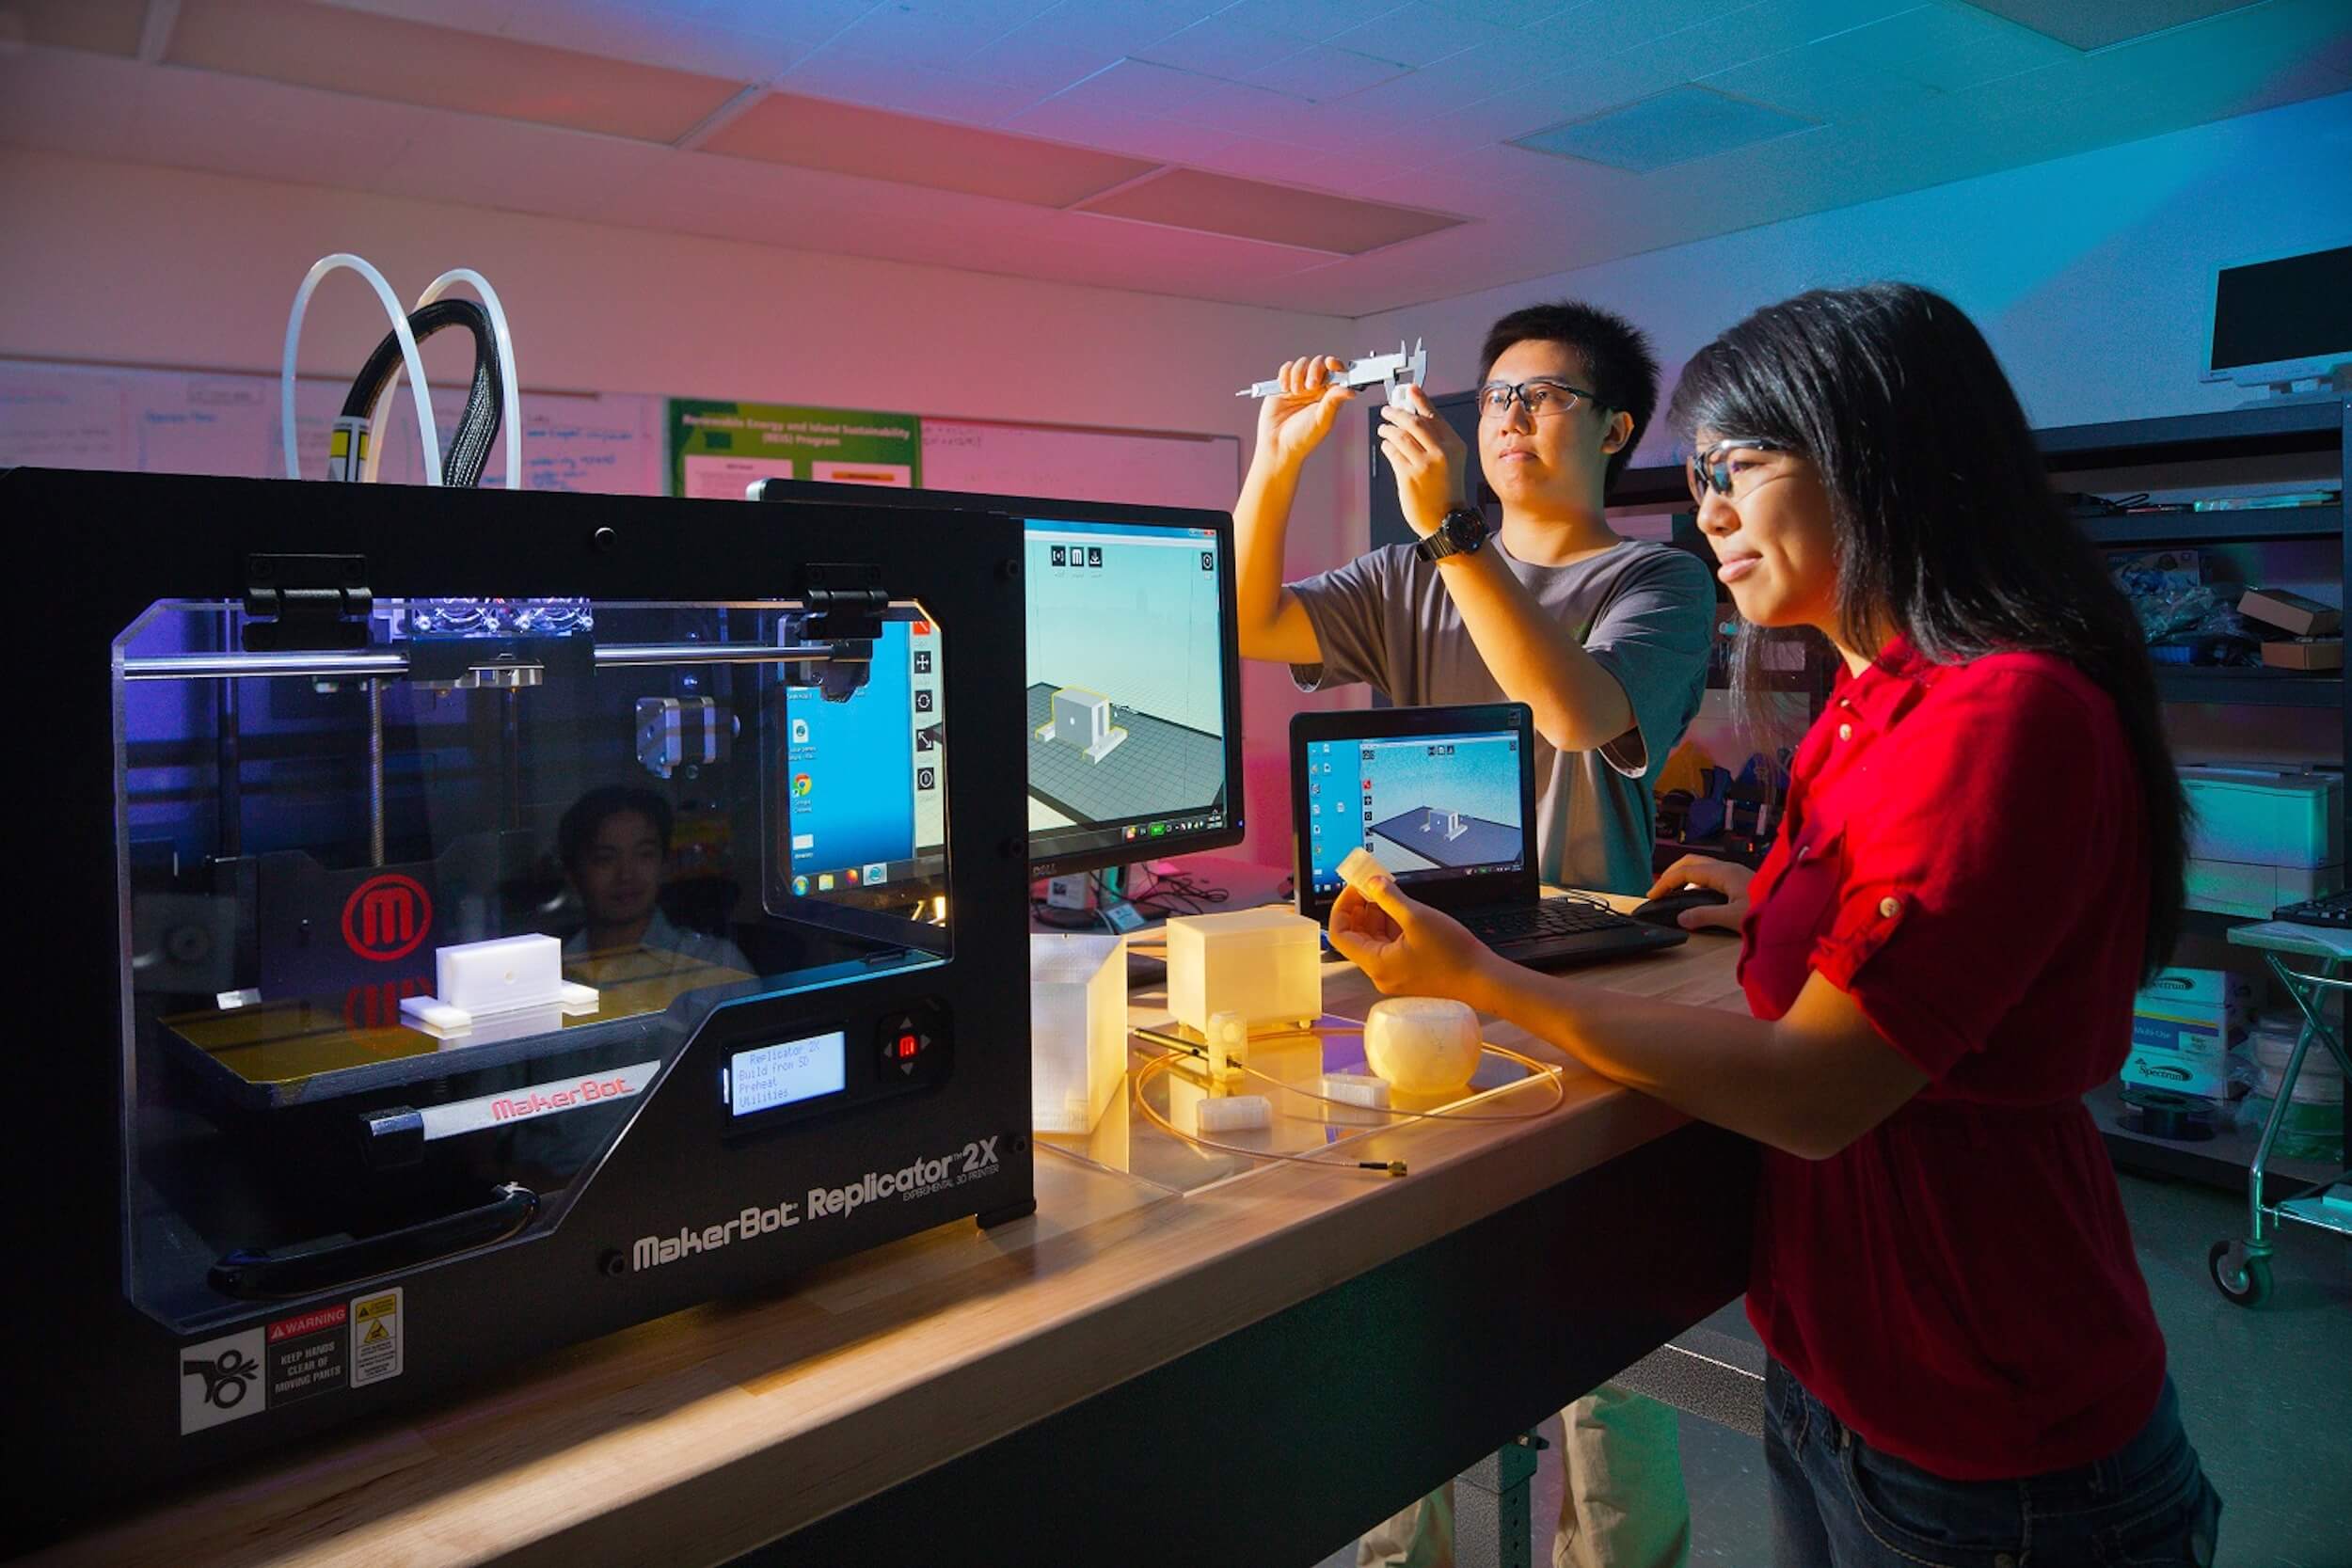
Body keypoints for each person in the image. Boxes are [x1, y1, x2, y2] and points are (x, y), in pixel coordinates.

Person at [1329, 283, 2223, 1567]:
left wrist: (1486, 980)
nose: (1706, 510)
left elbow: (1815, 1088)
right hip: (1832, 1376)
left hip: (1991, 1422)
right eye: (1697, 475)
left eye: (1737, 466)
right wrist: (1787, 902)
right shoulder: (1866, 705)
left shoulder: (2000, 713)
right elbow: (1921, 922)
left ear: (1875, 456)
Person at [1235, 303, 1712, 1568]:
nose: (1506, 417)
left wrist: (1450, 533)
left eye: (1542, 396)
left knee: (1610, 1353)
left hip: (1577, 989)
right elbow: (1246, 622)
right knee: (1408, 1329)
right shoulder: (1404, 576)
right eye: (1493, 395)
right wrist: (1276, 463)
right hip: (1416, 983)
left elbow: (1574, 714)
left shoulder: (1655, 579)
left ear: (1613, 429)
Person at [557, 784, 751, 974]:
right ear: (573, 875)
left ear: (664, 864)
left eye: (644, 854)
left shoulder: (715, 965)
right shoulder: (554, 969)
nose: (626, 875)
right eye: (605, 858)